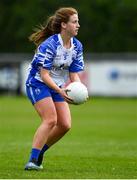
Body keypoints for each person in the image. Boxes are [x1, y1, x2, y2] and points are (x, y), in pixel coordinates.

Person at [24, 7, 84, 170]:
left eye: (78, 22)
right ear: (64, 25)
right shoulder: (50, 45)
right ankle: (32, 160)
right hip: (37, 83)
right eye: (75, 22)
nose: (78, 25)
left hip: (56, 86)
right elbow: (44, 75)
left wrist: (79, 89)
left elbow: (74, 74)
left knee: (65, 125)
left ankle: (40, 152)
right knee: (51, 119)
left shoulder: (77, 46)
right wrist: (60, 91)